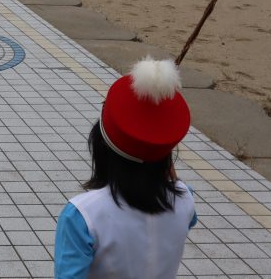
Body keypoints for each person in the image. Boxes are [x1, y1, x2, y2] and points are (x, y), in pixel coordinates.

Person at [54, 57, 196, 279]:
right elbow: (187, 212)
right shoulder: (186, 200)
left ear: (101, 146)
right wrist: (159, 149)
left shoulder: (81, 215)